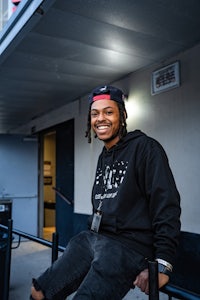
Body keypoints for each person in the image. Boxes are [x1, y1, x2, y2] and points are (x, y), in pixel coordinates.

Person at [31, 85, 181, 300]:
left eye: (108, 112)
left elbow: (166, 205)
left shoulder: (146, 148)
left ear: (122, 115)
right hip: (94, 237)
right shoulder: (105, 155)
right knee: (39, 291)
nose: (100, 118)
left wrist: (163, 263)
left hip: (127, 247)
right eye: (95, 113)